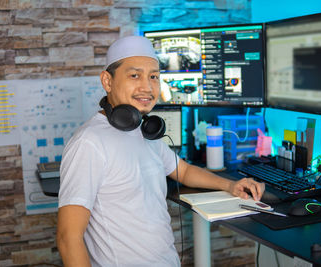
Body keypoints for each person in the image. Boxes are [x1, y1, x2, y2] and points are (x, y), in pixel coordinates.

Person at [56, 35, 265, 267]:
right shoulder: (89, 143)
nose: (147, 87)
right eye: (134, 75)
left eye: (154, 77)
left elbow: (183, 171)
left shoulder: (144, 131)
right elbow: (68, 238)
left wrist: (229, 185)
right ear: (107, 81)